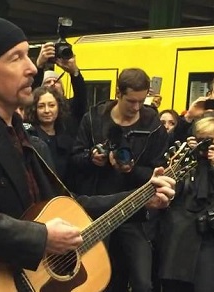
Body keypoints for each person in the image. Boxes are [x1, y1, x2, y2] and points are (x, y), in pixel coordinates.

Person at [0, 16, 176, 289]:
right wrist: (40, 237)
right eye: (15, 58)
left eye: (28, 56)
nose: (32, 67)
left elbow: (70, 204)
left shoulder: (19, 132)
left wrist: (141, 197)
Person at [71, 68, 169, 292]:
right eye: (131, 101)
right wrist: (92, 158)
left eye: (141, 101)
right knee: (96, 280)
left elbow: (159, 170)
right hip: (98, 210)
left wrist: (131, 170)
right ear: (118, 94)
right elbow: (74, 161)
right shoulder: (94, 119)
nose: (136, 107)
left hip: (134, 212)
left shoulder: (152, 125)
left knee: (143, 283)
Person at [159, 117, 214, 292]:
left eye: (208, 139)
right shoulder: (184, 162)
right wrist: (182, 159)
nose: (203, 144)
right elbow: (169, 192)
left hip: (210, 236)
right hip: (179, 235)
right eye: (199, 139)